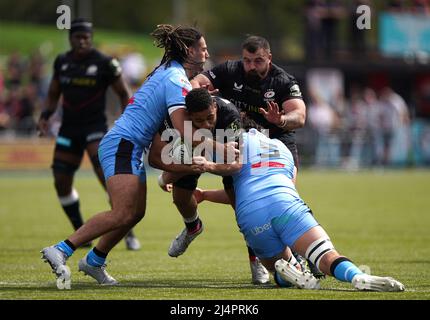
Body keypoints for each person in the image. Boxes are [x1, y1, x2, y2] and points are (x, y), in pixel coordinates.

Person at [40, 24, 220, 289]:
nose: (206, 54)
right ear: (189, 51)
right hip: (123, 144)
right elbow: (186, 132)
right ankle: (61, 249)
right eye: (203, 49)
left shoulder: (169, 73)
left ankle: (94, 261)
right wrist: (225, 148)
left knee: (134, 214)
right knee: (122, 211)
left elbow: (170, 136)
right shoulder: (175, 78)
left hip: (130, 146)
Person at [193, 117, 405, 292]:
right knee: (325, 255)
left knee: (279, 268)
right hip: (284, 203)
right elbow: (287, 185)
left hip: (251, 216)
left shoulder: (231, 145)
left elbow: (241, 192)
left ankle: (290, 271)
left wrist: (202, 193)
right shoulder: (282, 148)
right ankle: (356, 276)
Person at [190, 35, 312, 284]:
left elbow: (299, 116)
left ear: (269, 58)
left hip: (275, 146)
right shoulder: (229, 70)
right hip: (239, 143)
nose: (251, 66)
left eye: (258, 61)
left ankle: (298, 256)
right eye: (247, 61)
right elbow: (194, 83)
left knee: (281, 200)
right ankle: (258, 262)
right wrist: (201, 93)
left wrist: (281, 120)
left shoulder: (283, 81)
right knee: (243, 207)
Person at [37, 18, 140, 250]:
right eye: (78, 37)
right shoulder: (62, 62)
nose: (83, 41)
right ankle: (80, 230)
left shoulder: (105, 63)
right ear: (70, 38)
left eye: (86, 37)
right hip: (69, 130)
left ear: (91, 39)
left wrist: (127, 123)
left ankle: (127, 231)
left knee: (109, 182)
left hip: (96, 129)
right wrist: (45, 115)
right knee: (61, 181)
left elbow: (124, 93)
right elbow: (54, 92)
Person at [148, 88, 241, 259]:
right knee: (180, 199)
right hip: (195, 152)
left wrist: (209, 165)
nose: (206, 124)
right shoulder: (175, 117)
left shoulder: (230, 116)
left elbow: (237, 165)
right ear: (188, 115)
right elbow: (154, 159)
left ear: (215, 106)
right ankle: (193, 227)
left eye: (210, 117)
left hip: (226, 151)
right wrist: (186, 168)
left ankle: (254, 257)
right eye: (199, 120)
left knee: (239, 202)